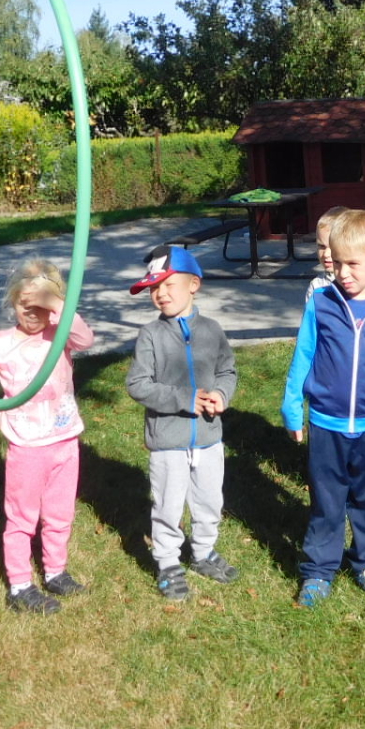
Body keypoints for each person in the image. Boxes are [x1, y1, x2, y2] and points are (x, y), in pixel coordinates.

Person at [281, 208, 365, 607]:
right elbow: (303, 355)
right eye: (337, 263)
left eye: (353, 264)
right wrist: (292, 406)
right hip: (326, 423)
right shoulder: (322, 303)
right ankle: (318, 570)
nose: (342, 273)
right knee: (327, 501)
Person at [0, 258, 95, 615]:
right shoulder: (1, 345)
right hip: (27, 447)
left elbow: (86, 339)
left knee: (60, 513)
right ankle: (20, 586)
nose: (33, 313)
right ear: (13, 303)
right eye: (25, 305)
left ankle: (55, 571)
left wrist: (57, 306)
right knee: (22, 517)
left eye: (42, 306)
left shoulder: (60, 334)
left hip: (65, 440)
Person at [126, 244, 239, 601]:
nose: (160, 294)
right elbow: (138, 384)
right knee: (168, 504)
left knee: (209, 500)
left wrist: (221, 394)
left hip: (208, 437)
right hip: (168, 441)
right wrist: (184, 399)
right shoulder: (151, 335)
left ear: (193, 285)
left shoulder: (212, 330)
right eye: (153, 288)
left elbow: (227, 370)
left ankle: (203, 552)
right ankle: (167, 562)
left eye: (167, 285)